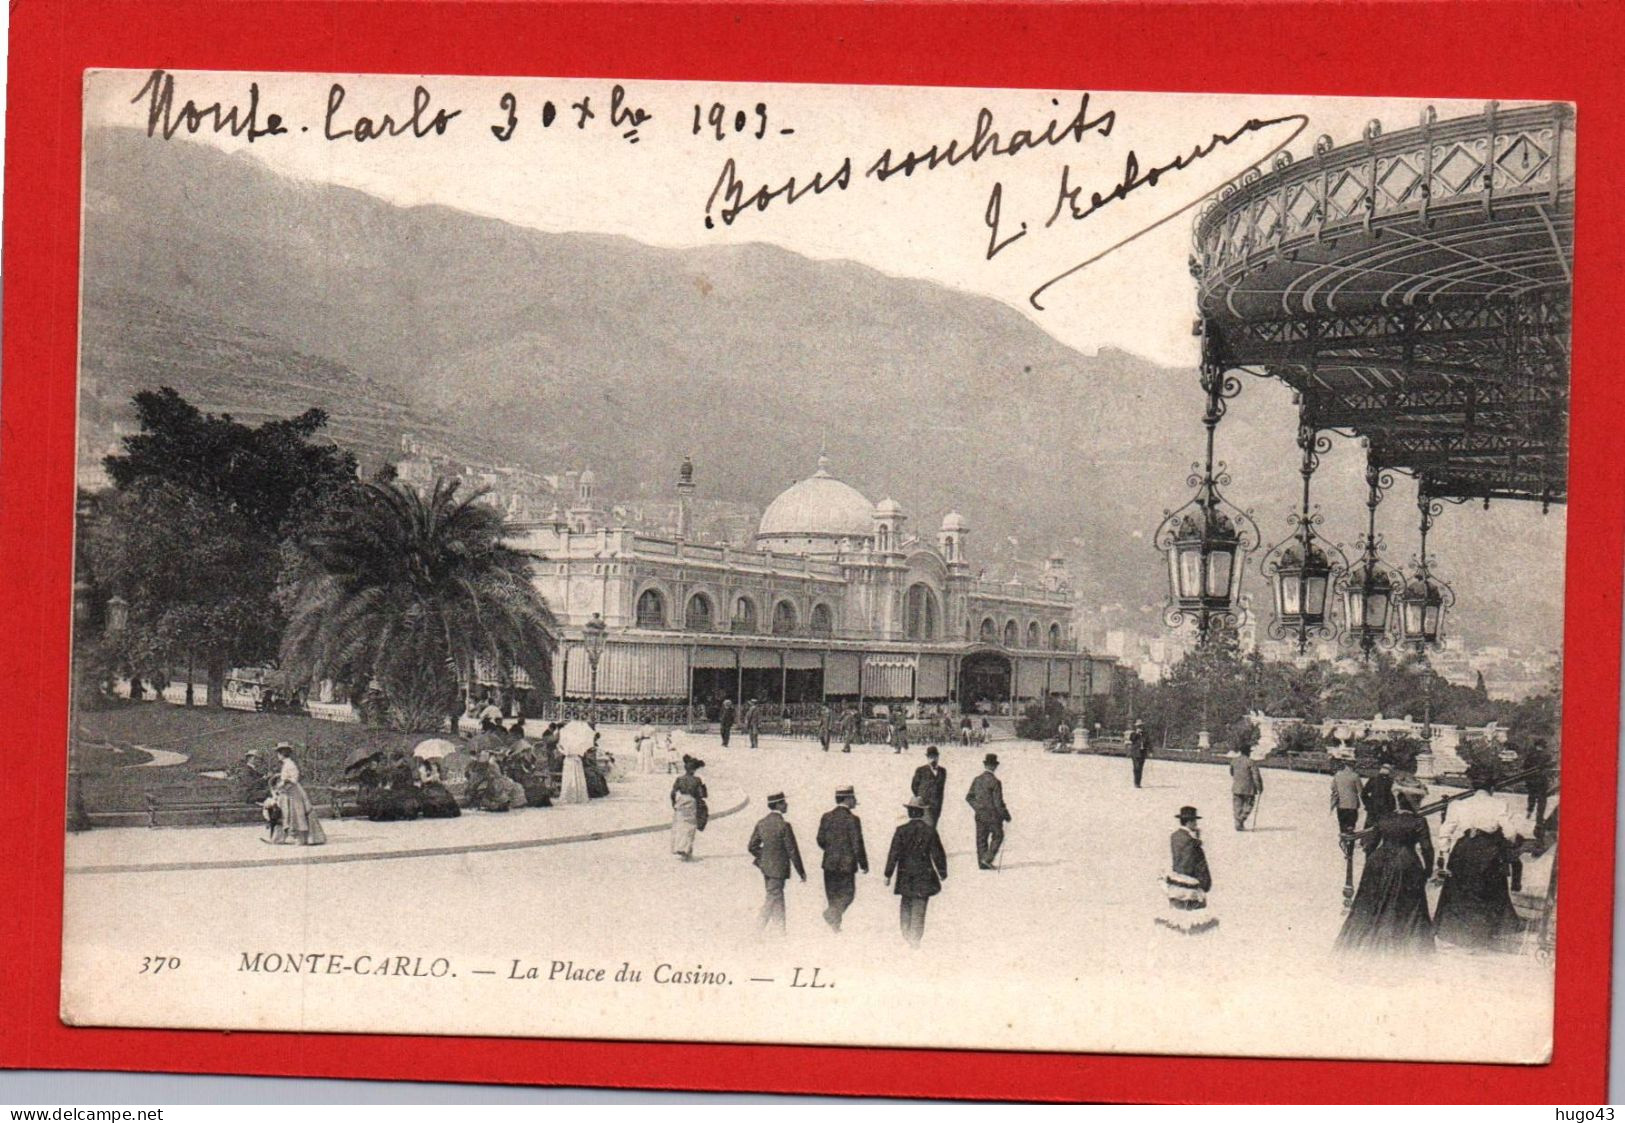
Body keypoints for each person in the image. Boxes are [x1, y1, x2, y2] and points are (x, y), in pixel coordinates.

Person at [1336, 777, 1435, 956]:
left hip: (1379, 861)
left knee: (1371, 899)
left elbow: (1371, 843)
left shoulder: (1384, 817)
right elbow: (1427, 848)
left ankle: (1365, 937)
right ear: (1416, 801)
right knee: (1404, 905)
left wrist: (1373, 862)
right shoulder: (1418, 821)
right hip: (1406, 862)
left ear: (1398, 798)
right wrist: (1428, 870)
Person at [1433, 768, 1527, 950]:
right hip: (1487, 851)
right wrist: (1512, 841)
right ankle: (1482, 934)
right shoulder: (1499, 804)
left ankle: (1456, 932)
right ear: (1491, 787)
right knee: (1486, 890)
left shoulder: (1458, 804)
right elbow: (1510, 832)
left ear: (1473, 786)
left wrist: (1444, 851)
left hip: (1463, 849)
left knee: (1460, 890)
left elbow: (1445, 831)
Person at [885, 796, 949, 948]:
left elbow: (893, 854)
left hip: (904, 874)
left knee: (906, 903)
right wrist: (942, 872)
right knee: (919, 907)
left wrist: (888, 874)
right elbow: (938, 854)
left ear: (909, 812)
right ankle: (915, 940)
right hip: (924, 875)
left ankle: (906, 933)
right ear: (922, 812)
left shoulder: (901, 831)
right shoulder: (929, 831)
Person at [747, 792, 805, 934]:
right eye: (784, 802)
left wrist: (764, 857)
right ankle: (757, 929)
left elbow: (751, 846)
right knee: (773, 897)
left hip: (765, 867)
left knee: (776, 895)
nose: (786, 805)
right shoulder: (784, 825)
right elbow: (792, 851)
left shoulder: (761, 823)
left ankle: (780, 930)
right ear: (778, 804)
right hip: (779, 868)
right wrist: (801, 872)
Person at [1156, 806, 1217, 935]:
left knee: (1178, 911)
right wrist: (1203, 882)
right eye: (1194, 822)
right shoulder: (1190, 841)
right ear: (1189, 822)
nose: (1196, 824)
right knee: (1193, 915)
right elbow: (1194, 862)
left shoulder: (1175, 836)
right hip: (1189, 882)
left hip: (1176, 880)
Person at [816, 785, 868, 931]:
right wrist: (863, 864)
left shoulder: (826, 817)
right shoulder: (853, 819)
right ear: (848, 799)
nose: (856, 801)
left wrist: (832, 850)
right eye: (854, 797)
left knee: (832, 897)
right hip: (847, 865)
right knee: (848, 895)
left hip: (829, 864)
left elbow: (820, 839)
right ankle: (830, 916)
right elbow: (857, 843)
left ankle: (835, 928)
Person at [267, 743, 326, 846]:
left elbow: (293, 779)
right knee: (288, 814)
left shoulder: (290, 764)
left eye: (279, 753)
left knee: (296, 815)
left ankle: (300, 838)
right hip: (289, 792)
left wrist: (282, 785)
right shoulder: (287, 764)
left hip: (293, 792)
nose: (278, 755)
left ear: (282, 753)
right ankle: (285, 837)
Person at [965, 753, 1011, 869]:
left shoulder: (977, 779)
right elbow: (998, 803)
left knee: (981, 838)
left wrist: (978, 807)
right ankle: (987, 859)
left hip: (980, 815)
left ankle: (982, 864)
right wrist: (1006, 815)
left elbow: (969, 797)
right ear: (995, 766)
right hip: (993, 816)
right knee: (998, 836)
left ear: (985, 765)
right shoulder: (995, 782)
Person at [669, 755, 708, 861]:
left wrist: (673, 803)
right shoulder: (697, 780)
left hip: (681, 801)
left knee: (680, 825)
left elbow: (672, 793)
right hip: (691, 802)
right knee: (690, 827)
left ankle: (678, 846)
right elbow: (702, 794)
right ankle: (686, 849)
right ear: (694, 770)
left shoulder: (679, 779)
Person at [910, 746, 949, 828]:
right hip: (924, 805)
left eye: (935, 757)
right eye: (931, 757)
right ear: (927, 758)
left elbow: (941, 788)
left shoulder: (943, 771)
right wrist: (921, 798)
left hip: (936, 806)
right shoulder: (920, 770)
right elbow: (914, 786)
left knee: (933, 829)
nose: (933, 760)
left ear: (938, 757)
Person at [1229, 744, 1263, 830]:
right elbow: (1256, 776)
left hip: (1236, 787)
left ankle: (1238, 822)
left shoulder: (1234, 761)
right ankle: (1240, 820)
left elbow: (1231, 773)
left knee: (1237, 806)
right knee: (1249, 805)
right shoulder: (1251, 762)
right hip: (1249, 788)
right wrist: (1259, 787)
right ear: (1248, 752)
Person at [1330, 751, 1362, 844]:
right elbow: (1360, 791)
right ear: (1352, 764)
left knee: (1342, 825)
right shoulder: (1355, 776)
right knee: (1351, 827)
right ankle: (1350, 848)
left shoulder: (1338, 775)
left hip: (1341, 805)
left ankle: (1343, 842)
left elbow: (1333, 788)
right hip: (1352, 805)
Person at [1523, 740, 1553, 834]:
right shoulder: (1547, 756)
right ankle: (1539, 820)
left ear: (1536, 746)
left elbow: (1524, 767)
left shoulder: (1530, 756)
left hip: (1532, 781)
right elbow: (1549, 769)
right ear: (1543, 747)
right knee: (1542, 801)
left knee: (1531, 796)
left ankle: (1529, 811)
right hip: (1541, 782)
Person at [1361, 762, 1397, 828]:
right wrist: (1392, 808)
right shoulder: (1389, 781)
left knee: (1369, 830)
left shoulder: (1374, 779)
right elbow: (1391, 796)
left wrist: (1368, 804)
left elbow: (1364, 793)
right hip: (1384, 809)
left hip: (1374, 808)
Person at [1127, 719, 1149, 787]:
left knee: (1140, 768)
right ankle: (1136, 782)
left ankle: (1138, 783)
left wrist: (1151, 751)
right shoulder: (1133, 734)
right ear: (1136, 727)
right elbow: (1131, 739)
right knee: (1136, 767)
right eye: (1138, 726)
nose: (1140, 727)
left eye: (1141, 726)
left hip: (1142, 753)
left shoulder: (1145, 734)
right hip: (1135, 753)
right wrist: (1137, 733)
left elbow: (1149, 742)